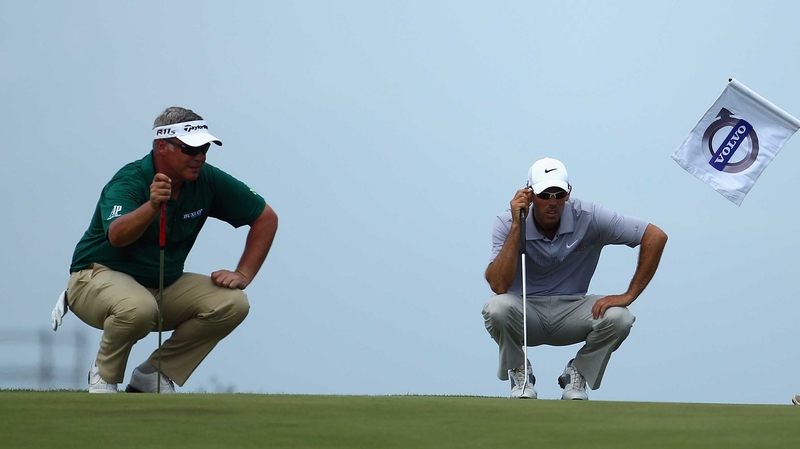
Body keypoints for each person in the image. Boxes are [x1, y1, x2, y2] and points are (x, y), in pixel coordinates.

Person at [53, 106, 278, 393]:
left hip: (160, 283)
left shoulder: (207, 178)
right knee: (137, 307)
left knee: (232, 304)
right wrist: (151, 207)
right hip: (95, 278)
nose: (199, 157)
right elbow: (117, 236)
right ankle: (104, 376)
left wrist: (243, 273)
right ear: (163, 146)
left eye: (205, 148)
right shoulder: (130, 179)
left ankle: (153, 374)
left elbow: (265, 217)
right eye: (189, 149)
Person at [482, 157, 667, 400]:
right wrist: (518, 226)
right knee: (497, 307)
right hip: (525, 311)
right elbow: (498, 285)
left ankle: (577, 374)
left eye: (559, 194)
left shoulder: (588, 216)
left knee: (621, 317)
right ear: (529, 194)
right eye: (545, 194)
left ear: (568, 193)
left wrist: (628, 295)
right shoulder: (507, 222)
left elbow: (654, 235)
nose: (553, 202)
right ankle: (520, 371)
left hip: (573, 309)